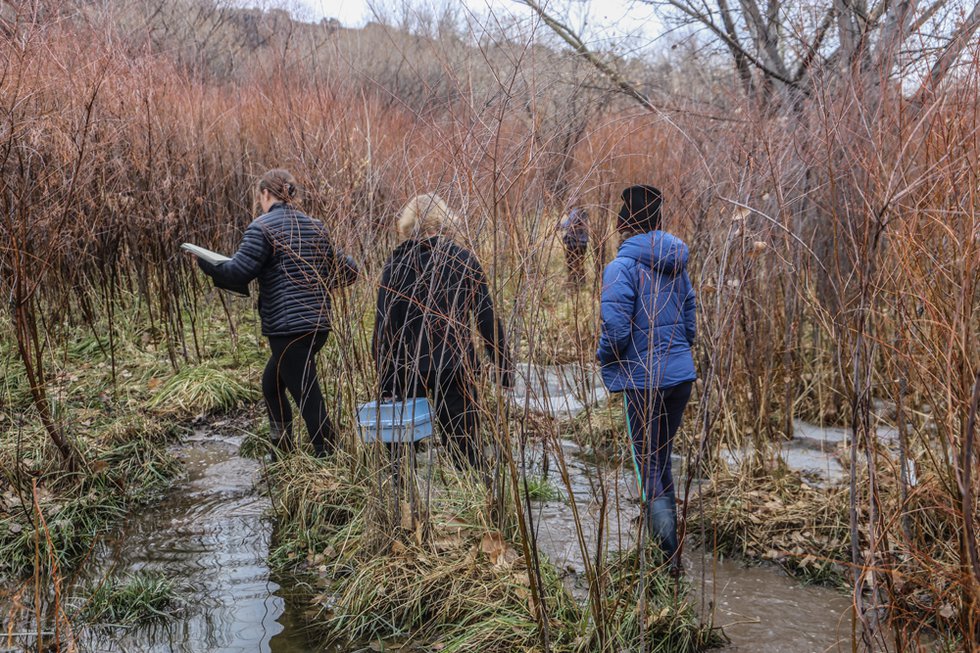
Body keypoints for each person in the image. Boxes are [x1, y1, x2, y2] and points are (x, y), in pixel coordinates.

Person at [196, 169, 358, 457]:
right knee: (271, 384)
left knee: (307, 394)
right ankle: (281, 449)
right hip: (317, 325)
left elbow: (238, 272)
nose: (260, 202)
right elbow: (348, 270)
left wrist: (204, 263)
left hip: (286, 329)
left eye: (260, 197)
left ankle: (327, 455)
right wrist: (321, 284)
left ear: (266, 194)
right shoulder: (315, 226)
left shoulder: (262, 228)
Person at [596, 184, 696, 572]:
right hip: (679, 377)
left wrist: (605, 359)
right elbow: (689, 321)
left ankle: (669, 559)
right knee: (662, 459)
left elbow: (616, 332)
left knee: (647, 464)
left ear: (625, 226)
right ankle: (668, 549)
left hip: (642, 381)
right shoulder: (676, 260)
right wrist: (677, 356)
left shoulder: (620, 267)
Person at [373, 193, 512, 470]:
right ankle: (474, 503)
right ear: (444, 220)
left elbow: (384, 328)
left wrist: (386, 380)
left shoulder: (396, 265)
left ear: (407, 223)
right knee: (464, 448)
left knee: (400, 453)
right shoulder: (462, 260)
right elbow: (486, 318)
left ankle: (405, 505)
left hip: (406, 368)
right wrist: (503, 367)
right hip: (455, 364)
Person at [559, 206, 590, 286]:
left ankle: (573, 284)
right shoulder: (584, 212)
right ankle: (581, 283)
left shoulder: (575, 211)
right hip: (583, 243)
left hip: (574, 243)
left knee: (571, 264)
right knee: (579, 263)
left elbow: (568, 225)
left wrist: (559, 225)